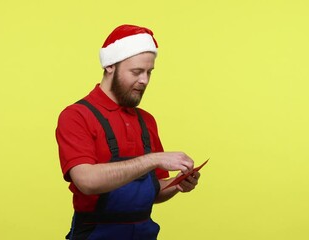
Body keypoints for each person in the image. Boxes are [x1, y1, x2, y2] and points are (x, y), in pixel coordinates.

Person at [55, 24, 201, 240]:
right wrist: (153, 159)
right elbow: (87, 181)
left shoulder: (146, 121)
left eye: (149, 72)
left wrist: (178, 184)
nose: (144, 80)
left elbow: (154, 192)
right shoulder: (76, 116)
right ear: (110, 66)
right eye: (136, 71)